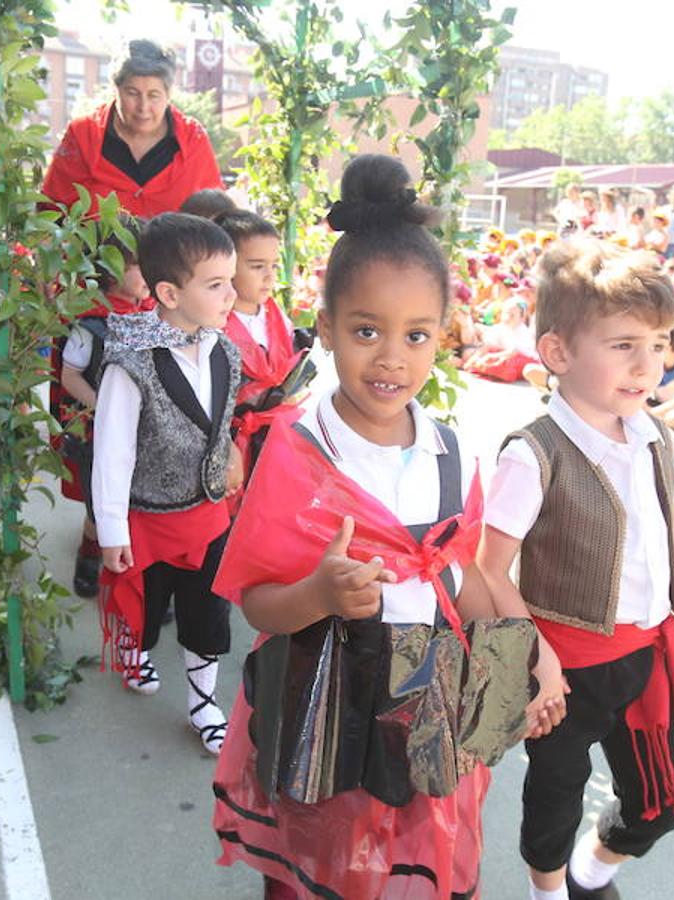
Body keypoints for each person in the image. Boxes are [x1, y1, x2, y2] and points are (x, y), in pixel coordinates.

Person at [211, 154, 554, 900]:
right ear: (327, 328)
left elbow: (468, 580)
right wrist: (319, 593)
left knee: (421, 860)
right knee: (317, 869)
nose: (392, 357)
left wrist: (534, 658)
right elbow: (260, 604)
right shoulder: (299, 452)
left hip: (423, 703)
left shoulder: (451, 451)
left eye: (417, 335)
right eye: (367, 330)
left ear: (443, 335)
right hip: (326, 700)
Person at [478, 241, 674, 900]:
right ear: (558, 353)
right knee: (554, 801)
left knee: (657, 807)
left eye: (659, 344)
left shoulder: (656, 438)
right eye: (623, 345)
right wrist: (536, 658)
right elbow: (486, 572)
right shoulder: (534, 454)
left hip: (645, 657)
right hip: (563, 666)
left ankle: (591, 871)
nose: (647, 365)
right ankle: (547, 892)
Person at [91, 212, 242, 755]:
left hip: (205, 514)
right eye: (217, 284)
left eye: (231, 281)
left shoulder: (225, 349)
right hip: (147, 517)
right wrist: (112, 530)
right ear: (168, 292)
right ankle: (136, 647)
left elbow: (222, 422)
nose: (232, 294)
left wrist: (230, 458)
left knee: (208, 612)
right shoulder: (129, 364)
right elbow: (112, 451)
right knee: (145, 606)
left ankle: (204, 702)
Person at [56, 216, 152, 598]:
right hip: (98, 431)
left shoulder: (152, 316)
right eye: (140, 266)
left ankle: (139, 574)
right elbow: (70, 376)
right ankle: (89, 555)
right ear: (111, 268)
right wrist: (108, 408)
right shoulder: (90, 323)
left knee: (139, 504)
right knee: (102, 505)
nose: (151, 273)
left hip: (143, 431)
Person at [41, 39, 222, 219]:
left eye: (154, 95)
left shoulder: (193, 140)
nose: (143, 107)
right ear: (115, 89)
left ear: (168, 94)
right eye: (132, 93)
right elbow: (49, 212)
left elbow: (216, 218)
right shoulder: (83, 135)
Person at [213, 209, 303, 490]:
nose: (269, 276)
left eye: (274, 266)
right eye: (256, 266)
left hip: (275, 437)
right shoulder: (211, 326)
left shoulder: (278, 318)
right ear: (226, 266)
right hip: (227, 440)